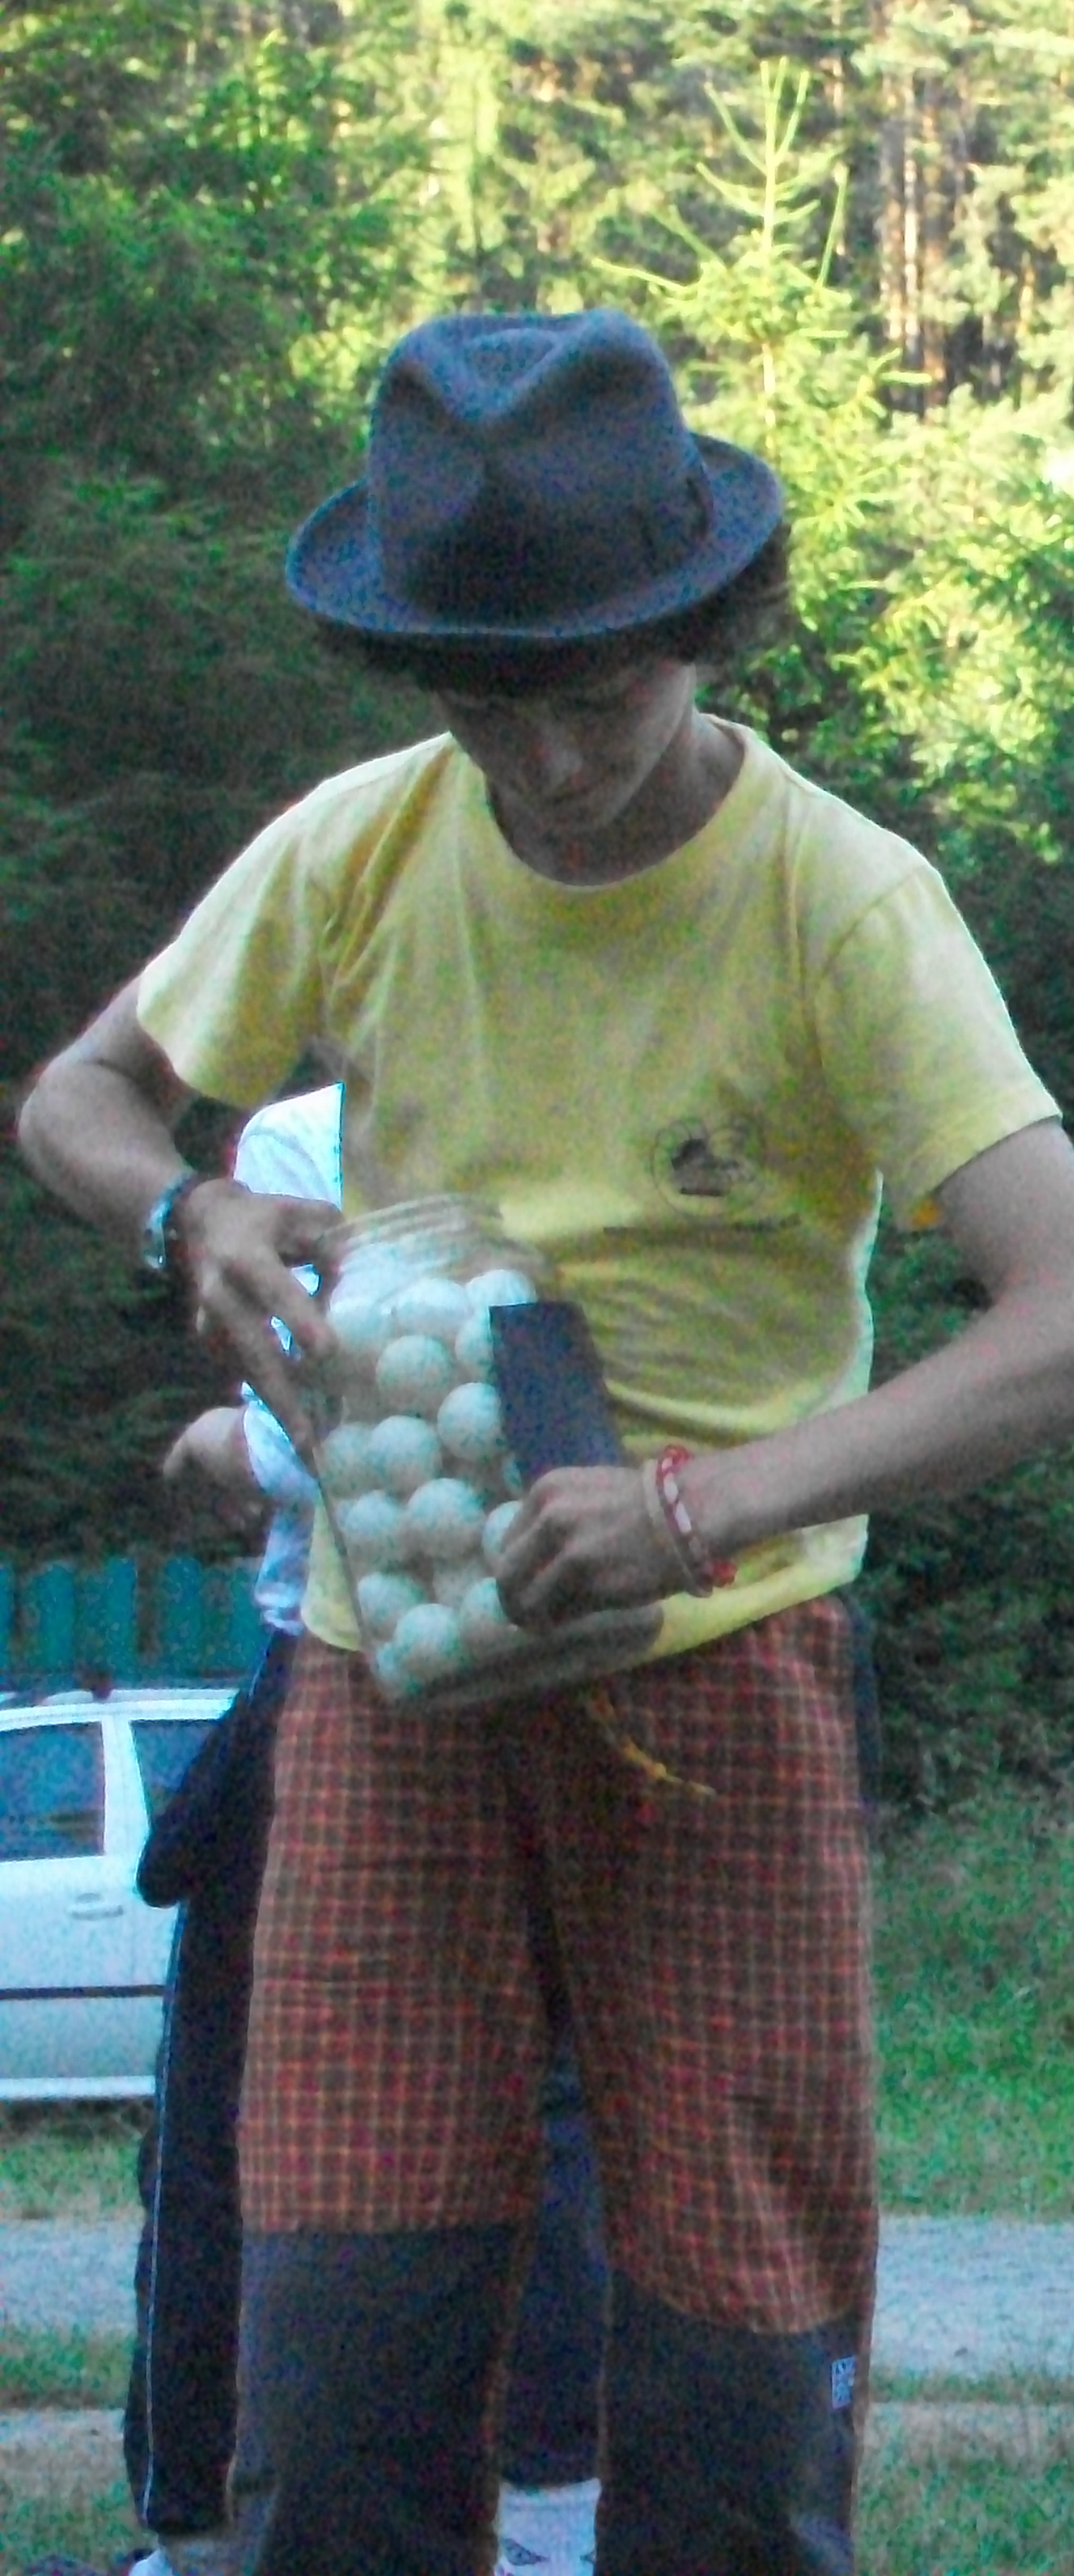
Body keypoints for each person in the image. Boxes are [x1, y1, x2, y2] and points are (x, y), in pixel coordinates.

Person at [16, 305, 1074, 2576]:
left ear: (706, 633)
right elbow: (82, 1097)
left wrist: (699, 1507)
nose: (543, 765)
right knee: (337, 2330)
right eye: (483, 708)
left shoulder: (840, 901)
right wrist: (190, 1210)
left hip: (718, 1680)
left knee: (734, 2319)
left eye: (599, 702)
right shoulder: (353, 849)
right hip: (388, 1674)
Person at [124, 1085, 606, 2576]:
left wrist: (224, 1440)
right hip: (565, 1661)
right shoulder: (578, 1099)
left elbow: (317, 1416)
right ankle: (545, 2514)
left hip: (353, 1667)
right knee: (552, 2112)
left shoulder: (304, 1135)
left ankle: (208, 2522)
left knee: (243, 2105)